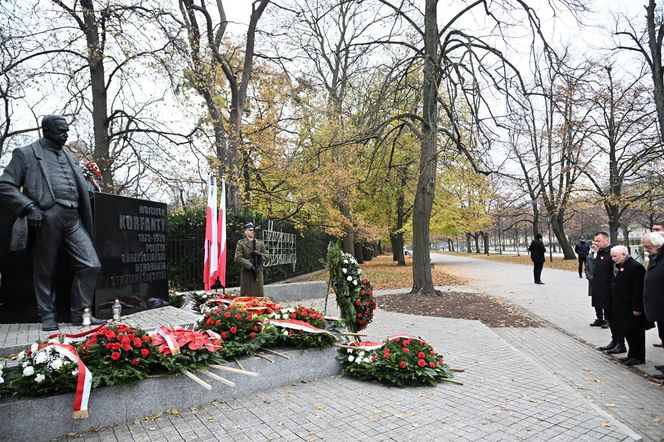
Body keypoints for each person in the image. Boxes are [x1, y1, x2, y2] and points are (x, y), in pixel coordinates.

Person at [0, 115, 103, 331]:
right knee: (45, 269)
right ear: (46, 131)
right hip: (47, 215)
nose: (66, 135)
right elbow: (5, 185)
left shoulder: (71, 159)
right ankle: (47, 315)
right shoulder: (26, 154)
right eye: (61, 131)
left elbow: (79, 187)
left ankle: (81, 313)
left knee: (91, 264)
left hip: (73, 217)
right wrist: (29, 207)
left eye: (67, 130)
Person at [609, 245, 650, 366]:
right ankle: (632, 354)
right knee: (628, 332)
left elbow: (638, 289)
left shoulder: (635, 267)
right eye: (612, 256)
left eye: (615, 256)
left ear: (624, 254)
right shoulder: (623, 266)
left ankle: (639, 357)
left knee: (636, 333)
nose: (613, 259)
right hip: (623, 307)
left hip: (633, 308)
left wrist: (637, 307)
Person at [592, 232, 626, 353]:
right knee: (610, 318)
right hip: (602, 292)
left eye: (598, 241)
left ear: (606, 241)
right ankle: (614, 341)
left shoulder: (612, 253)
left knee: (616, 319)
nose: (595, 243)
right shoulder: (599, 253)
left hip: (612, 293)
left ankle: (620, 343)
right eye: (594, 240)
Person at [642, 232, 664, 379]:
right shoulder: (656, 256)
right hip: (658, 307)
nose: (646, 249)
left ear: (658, 244)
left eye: (648, 246)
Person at [234, 222, 270, 296]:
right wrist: (250, 265)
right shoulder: (241, 243)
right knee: (247, 295)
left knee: (259, 296)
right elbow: (237, 258)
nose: (252, 231)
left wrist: (260, 255)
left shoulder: (260, 243)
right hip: (247, 272)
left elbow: (268, 256)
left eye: (253, 230)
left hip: (258, 272)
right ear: (245, 232)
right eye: (250, 230)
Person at [586, 242, 608, 328]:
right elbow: (587, 268)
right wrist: (590, 277)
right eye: (593, 244)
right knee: (596, 301)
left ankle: (606, 319)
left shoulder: (604, 255)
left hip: (603, 283)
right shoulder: (589, 257)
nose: (593, 245)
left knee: (605, 301)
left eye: (596, 243)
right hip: (593, 282)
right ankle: (599, 318)